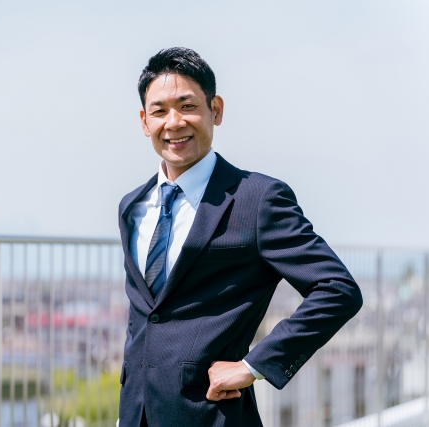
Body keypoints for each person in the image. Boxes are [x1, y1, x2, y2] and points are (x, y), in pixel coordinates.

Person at [117, 47, 363, 427]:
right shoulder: (132, 206)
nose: (174, 122)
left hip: (212, 414)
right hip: (136, 414)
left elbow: (337, 289)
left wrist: (253, 366)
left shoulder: (258, 200)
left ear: (215, 110)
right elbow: (145, 318)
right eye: (159, 111)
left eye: (187, 106)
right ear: (144, 122)